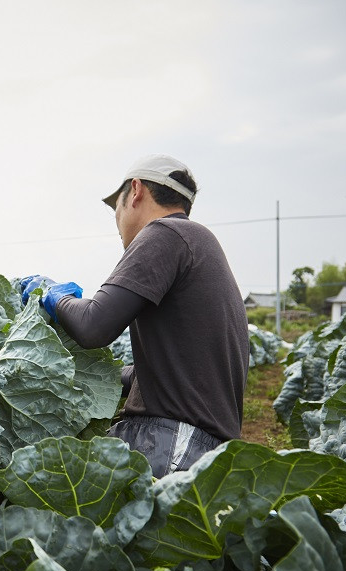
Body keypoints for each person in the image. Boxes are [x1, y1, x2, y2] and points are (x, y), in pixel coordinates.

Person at [20, 154, 248, 477]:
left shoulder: (165, 234)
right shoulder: (199, 246)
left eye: (117, 206)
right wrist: (90, 373)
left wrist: (56, 297)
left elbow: (93, 326)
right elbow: (166, 377)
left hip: (173, 447)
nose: (117, 219)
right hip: (202, 455)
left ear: (136, 191)